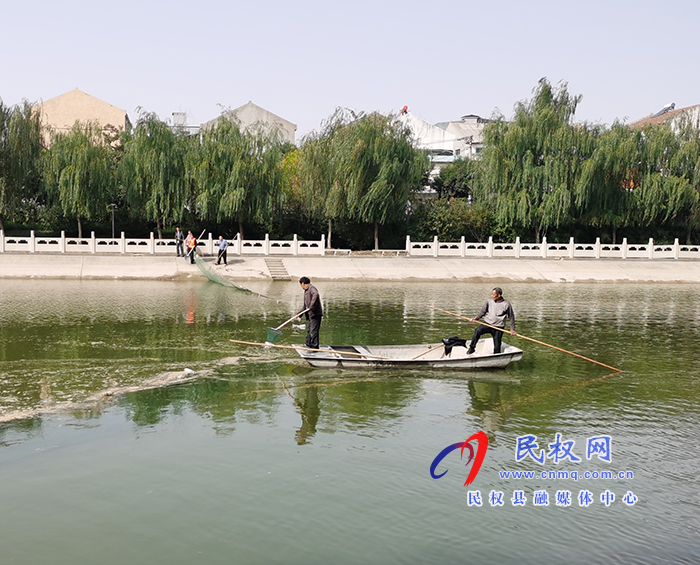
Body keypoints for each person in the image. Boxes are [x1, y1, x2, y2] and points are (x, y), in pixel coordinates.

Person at [467, 287, 516, 355]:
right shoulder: (489, 300)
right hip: (488, 324)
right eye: (491, 294)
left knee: (497, 346)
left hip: (498, 327)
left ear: (499, 295)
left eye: (493, 294)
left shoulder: (506, 304)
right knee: (478, 331)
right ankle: (472, 348)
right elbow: (482, 311)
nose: (492, 296)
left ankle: (496, 357)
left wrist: (512, 329)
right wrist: (476, 318)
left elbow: (511, 317)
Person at [297, 276, 322, 349]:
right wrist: (299, 314)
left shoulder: (311, 288)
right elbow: (305, 306)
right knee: (309, 330)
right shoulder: (306, 291)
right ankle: (308, 345)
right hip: (310, 314)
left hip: (315, 314)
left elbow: (316, 294)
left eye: (301, 284)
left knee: (313, 331)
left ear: (302, 283)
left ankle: (314, 347)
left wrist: (311, 306)